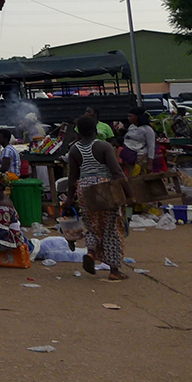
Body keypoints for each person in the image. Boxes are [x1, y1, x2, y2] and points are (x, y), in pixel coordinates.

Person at [67, 114, 131, 281]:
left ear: (79, 131)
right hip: (104, 187)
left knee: (93, 225)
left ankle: (90, 252)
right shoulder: (104, 146)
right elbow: (116, 171)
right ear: (95, 129)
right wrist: (129, 193)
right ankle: (115, 271)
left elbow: (72, 176)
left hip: (84, 189)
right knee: (112, 228)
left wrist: (68, 199)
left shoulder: (74, 149)